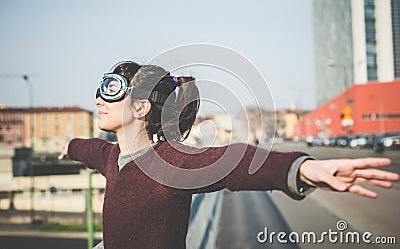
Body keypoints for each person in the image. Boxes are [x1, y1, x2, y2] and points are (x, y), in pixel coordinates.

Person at [59, 61, 399, 249]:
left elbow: (233, 161)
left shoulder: (171, 162)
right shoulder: (112, 157)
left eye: (112, 89)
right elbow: (92, 149)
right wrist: (70, 146)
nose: (98, 100)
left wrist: (299, 168)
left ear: (141, 106)